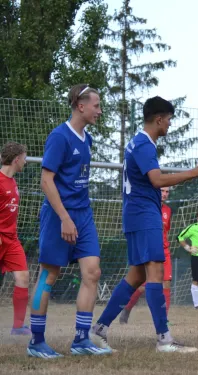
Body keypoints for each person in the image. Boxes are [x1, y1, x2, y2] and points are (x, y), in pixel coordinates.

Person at [90, 96, 198, 354]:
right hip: (144, 214)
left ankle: (98, 330)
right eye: (169, 120)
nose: (170, 125)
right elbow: (157, 180)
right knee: (155, 275)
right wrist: (194, 172)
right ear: (159, 119)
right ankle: (164, 339)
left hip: (137, 214)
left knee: (136, 275)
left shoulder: (138, 143)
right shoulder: (144, 145)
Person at [27, 84, 109, 358]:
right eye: (96, 105)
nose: (99, 110)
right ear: (80, 105)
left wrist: (77, 216)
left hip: (83, 213)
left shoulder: (87, 139)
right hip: (58, 214)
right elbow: (46, 180)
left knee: (92, 272)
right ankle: (36, 342)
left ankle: (81, 340)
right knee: (49, 274)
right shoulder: (59, 137)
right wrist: (63, 218)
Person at [119, 187, 173, 324]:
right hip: (149, 249)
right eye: (162, 191)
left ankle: (163, 320)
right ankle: (127, 308)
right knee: (142, 285)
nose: (165, 194)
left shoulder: (168, 210)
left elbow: (166, 230)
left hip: (164, 250)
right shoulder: (147, 207)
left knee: (166, 283)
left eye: (167, 192)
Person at [0, 142, 31, 336]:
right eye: (25, 158)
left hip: (11, 240)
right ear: (16, 159)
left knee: (23, 277)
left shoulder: (13, 182)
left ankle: (18, 327)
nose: (26, 162)